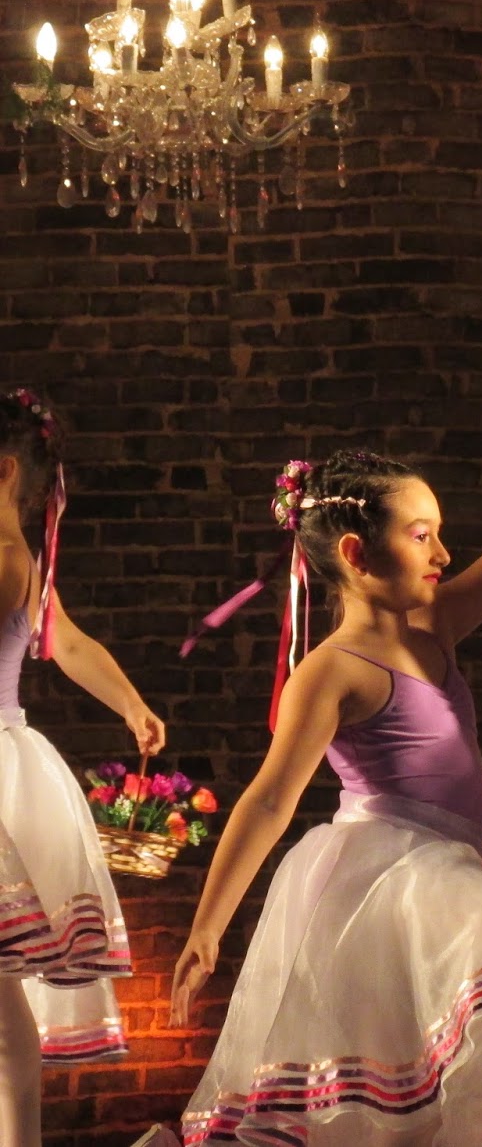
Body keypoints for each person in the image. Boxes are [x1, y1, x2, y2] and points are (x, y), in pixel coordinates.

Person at [165, 420, 482, 1143]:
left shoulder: (435, 624)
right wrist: (207, 928)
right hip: (387, 880)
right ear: (357, 553)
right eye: (422, 536)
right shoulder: (332, 670)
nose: (443, 554)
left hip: (447, 871)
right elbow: (268, 800)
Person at [0, 389, 166, 1147]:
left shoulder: (8, 557)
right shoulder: (22, 557)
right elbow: (66, 641)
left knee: (4, 1011)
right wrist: (132, 704)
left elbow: (59, 637)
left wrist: (131, 704)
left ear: (5, 471)